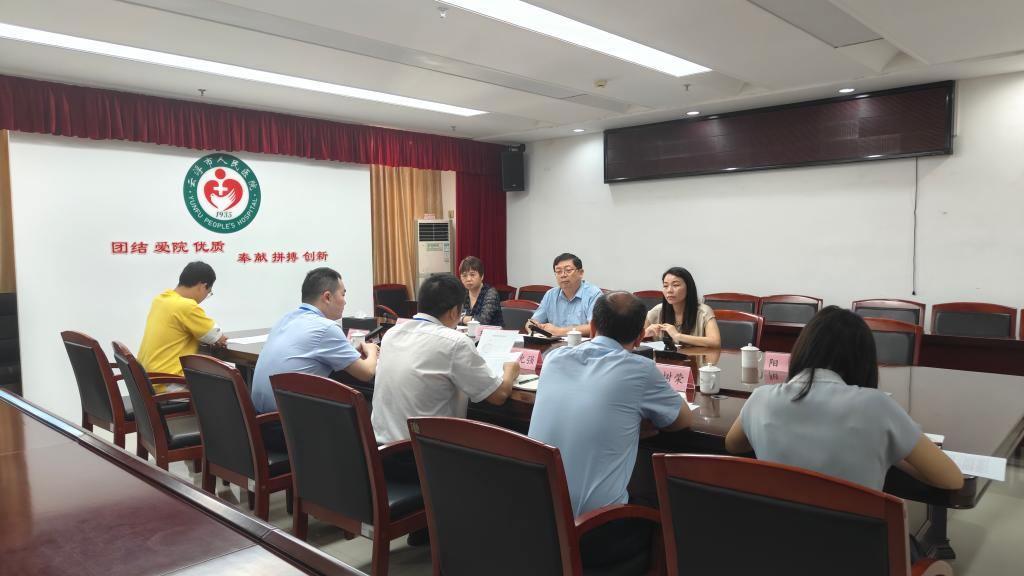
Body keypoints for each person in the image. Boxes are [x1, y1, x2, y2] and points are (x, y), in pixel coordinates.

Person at [529, 291, 691, 568]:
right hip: (592, 533)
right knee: (662, 498)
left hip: (537, 522)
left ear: (592, 326)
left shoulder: (554, 358)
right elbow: (683, 419)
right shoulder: (640, 369)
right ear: (640, 337)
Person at [725, 305, 963, 491]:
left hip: (777, 536)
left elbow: (733, 445)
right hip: (856, 540)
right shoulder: (876, 406)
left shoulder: (761, 398)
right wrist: (894, 452)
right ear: (863, 361)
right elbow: (951, 479)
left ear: (802, 349)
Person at [371, 273, 520, 444]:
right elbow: (499, 395)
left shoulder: (392, 333)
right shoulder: (455, 342)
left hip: (381, 448)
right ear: (454, 311)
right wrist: (510, 370)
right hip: (425, 453)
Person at [250, 268, 379, 451]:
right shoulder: (326, 328)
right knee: (360, 419)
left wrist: (348, 352)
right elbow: (366, 373)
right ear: (327, 297)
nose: (345, 301)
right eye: (343, 294)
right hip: (288, 431)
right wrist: (372, 350)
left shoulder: (285, 318)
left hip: (259, 424)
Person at [138, 261, 227, 391]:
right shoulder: (187, 306)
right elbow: (218, 338)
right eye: (208, 293)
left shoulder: (161, 299)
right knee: (226, 390)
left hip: (147, 380)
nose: (204, 297)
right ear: (202, 286)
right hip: (168, 383)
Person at [527, 252, 602, 337]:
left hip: (582, 344)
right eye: (558, 271)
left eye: (568, 270)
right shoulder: (550, 295)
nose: (563, 275)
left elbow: (595, 327)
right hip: (554, 343)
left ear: (581, 273)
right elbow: (533, 322)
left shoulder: (593, 294)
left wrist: (559, 331)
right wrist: (532, 327)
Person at [643, 266, 721, 348]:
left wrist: (678, 336)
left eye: (675, 285)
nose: (669, 290)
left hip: (695, 356)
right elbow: (634, 337)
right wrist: (645, 333)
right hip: (664, 356)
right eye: (665, 286)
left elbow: (715, 342)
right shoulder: (658, 311)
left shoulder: (704, 312)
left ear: (688, 288)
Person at [458, 256, 503, 327]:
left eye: (472, 275)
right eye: (464, 275)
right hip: (469, 332)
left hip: (492, 333)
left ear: (482, 276)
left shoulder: (490, 293)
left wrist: (462, 319)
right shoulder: (463, 293)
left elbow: (483, 320)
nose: (468, 279)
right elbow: (454, 317)